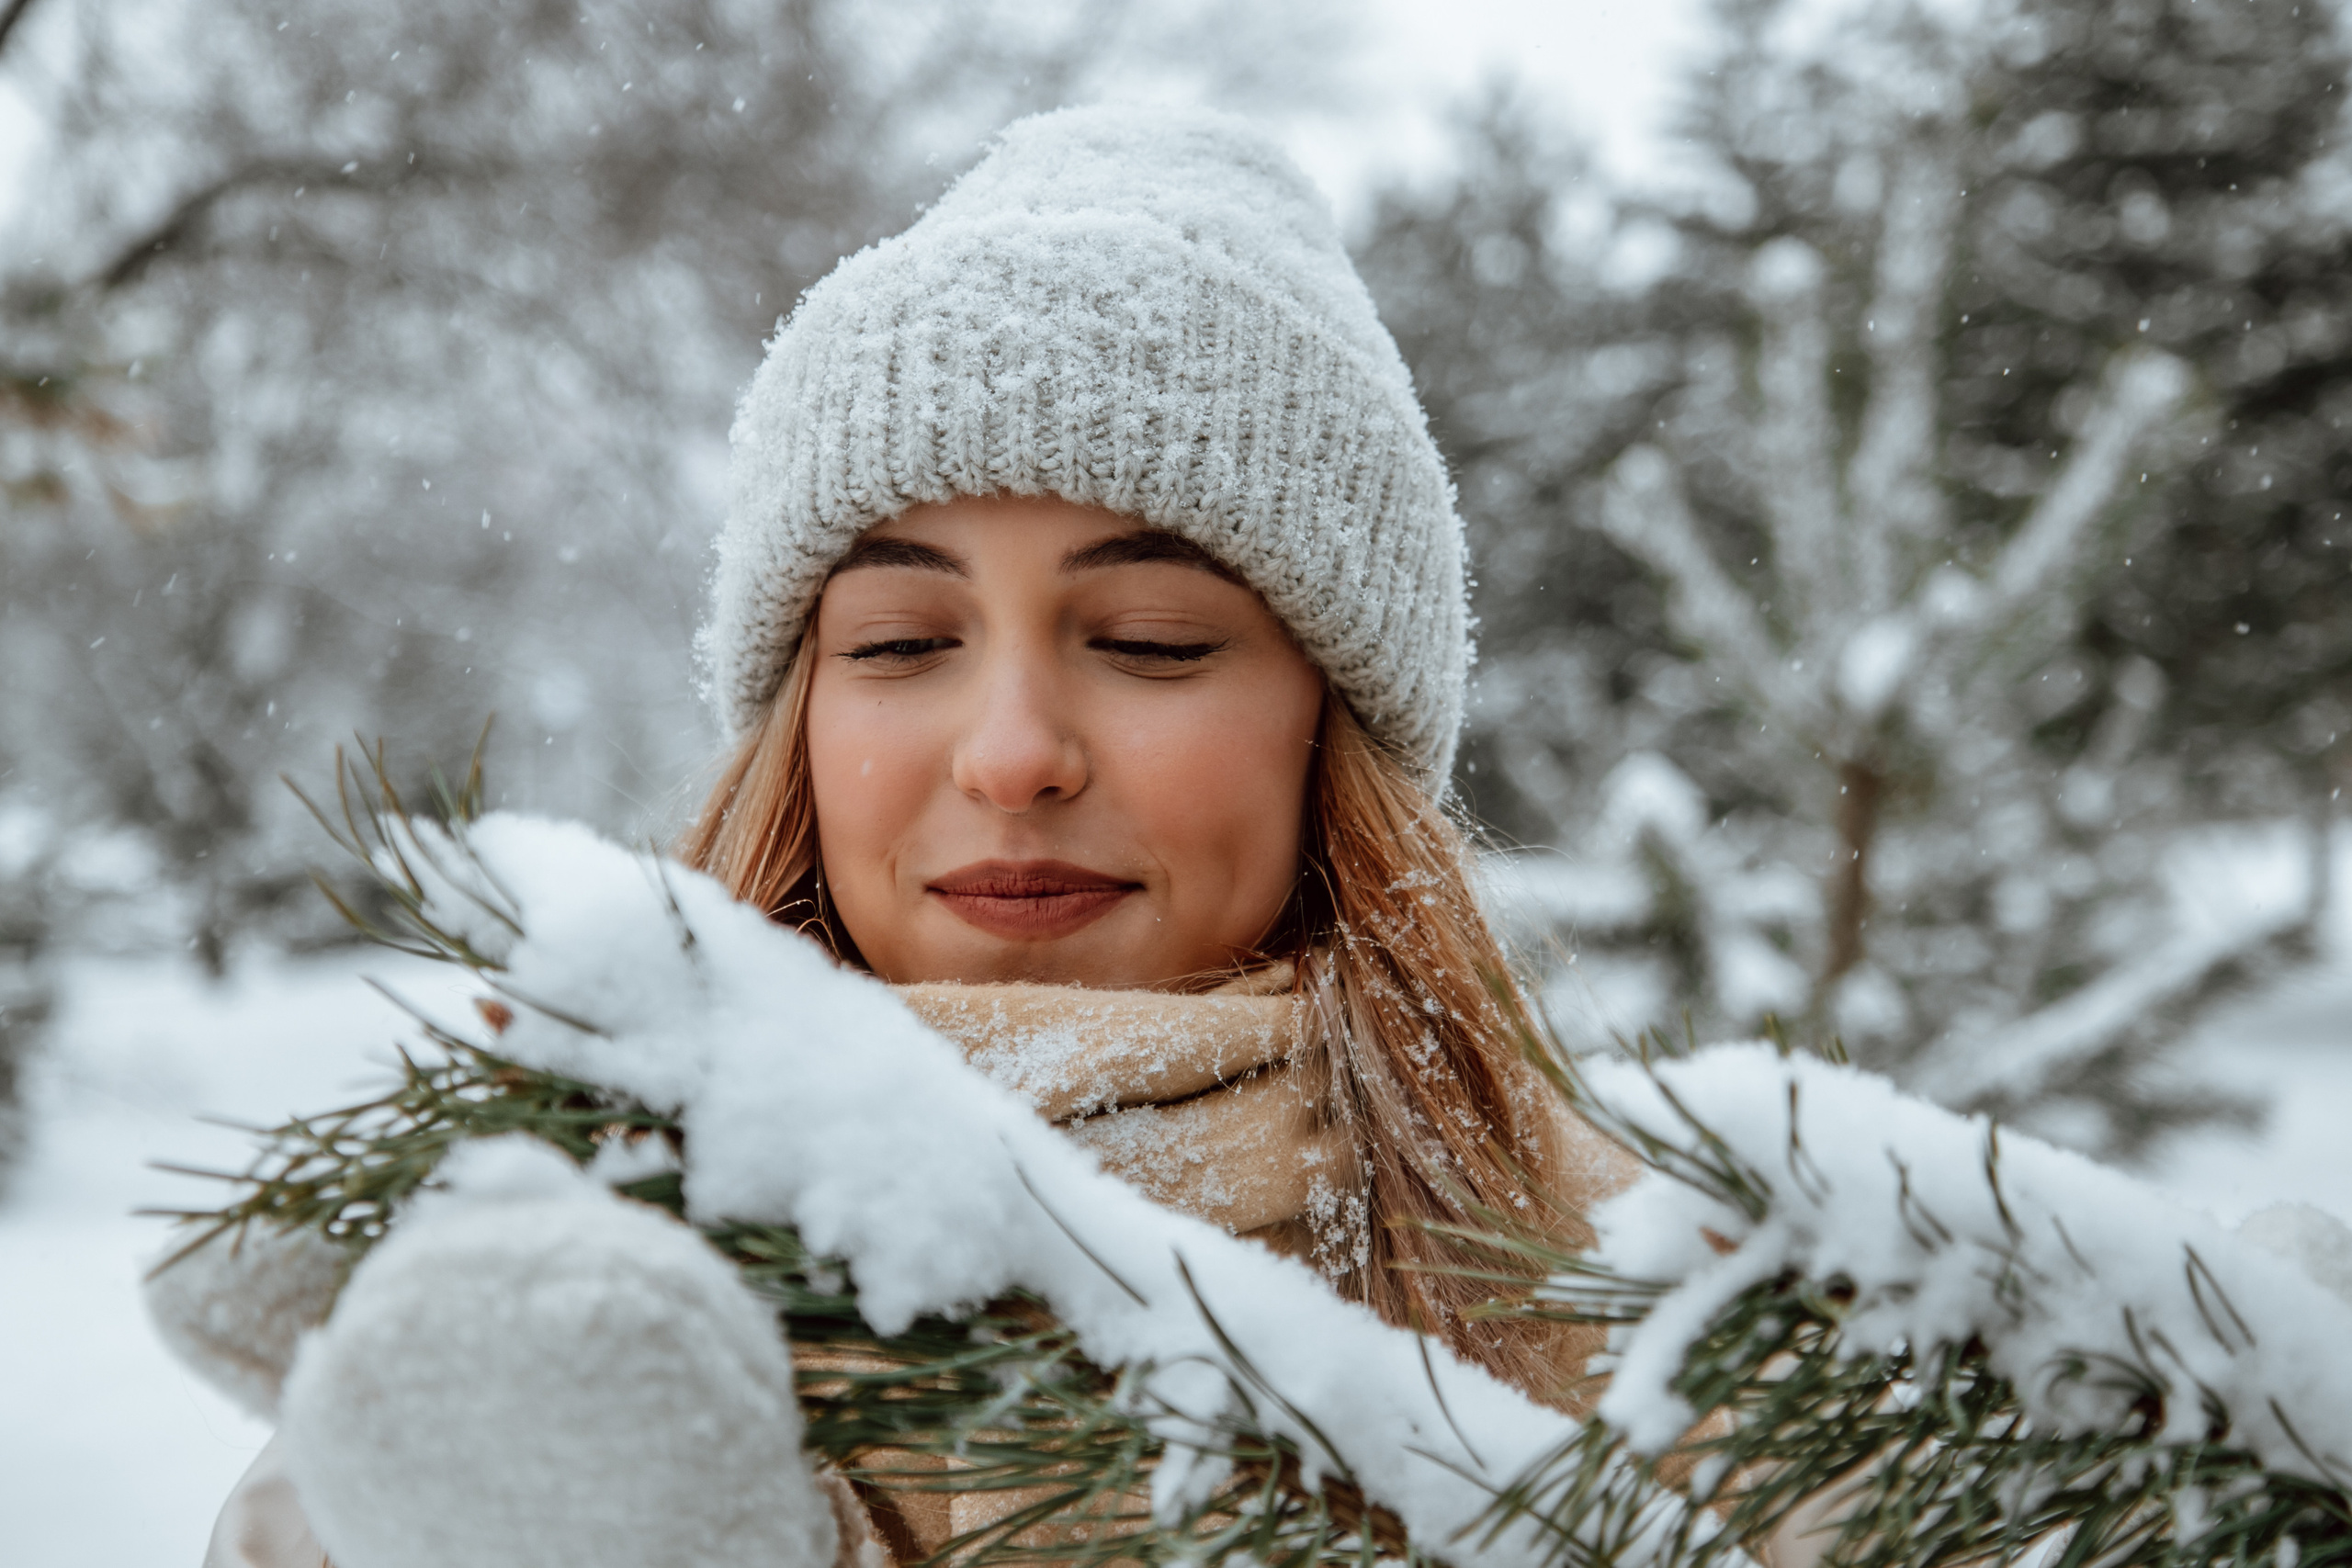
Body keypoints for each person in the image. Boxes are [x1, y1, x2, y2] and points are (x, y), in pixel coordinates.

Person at [150, 104, 1639, 1568]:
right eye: (904, 640)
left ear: (1336, 733)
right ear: (796, 729)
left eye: (1152, 638)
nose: (1010, 757)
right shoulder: (550, 1296)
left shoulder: (1674, 1324)